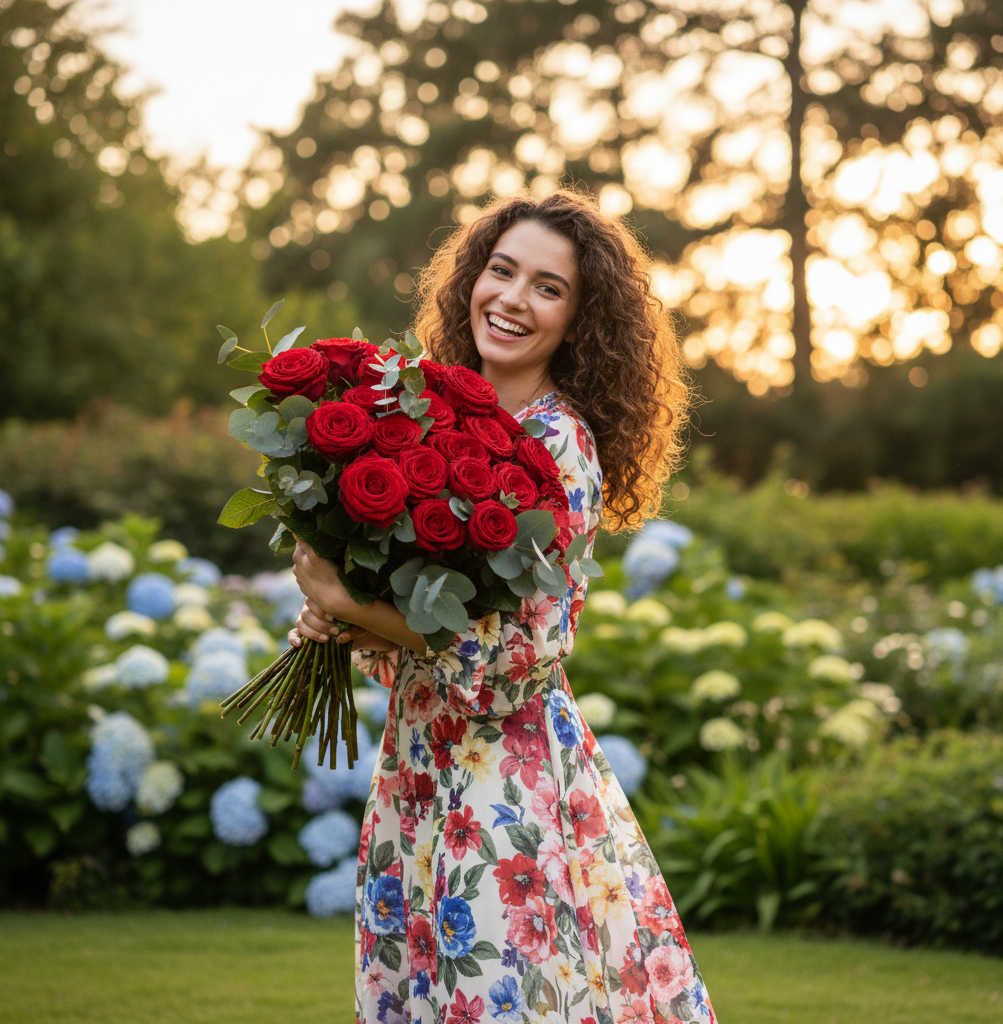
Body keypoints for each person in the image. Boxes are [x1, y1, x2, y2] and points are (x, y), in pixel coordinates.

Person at [289, 190, 716, 1024]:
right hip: (418, 762)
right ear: (471, 280)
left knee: (499, 997)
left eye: (548, 287)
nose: (513, 299)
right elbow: (404, 610)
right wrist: (338, 615)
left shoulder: (558, 444)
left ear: (580, 320)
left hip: (502, 778)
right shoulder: (424, 414)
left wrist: (346, 600)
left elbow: (516, 657)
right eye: (502, 270)